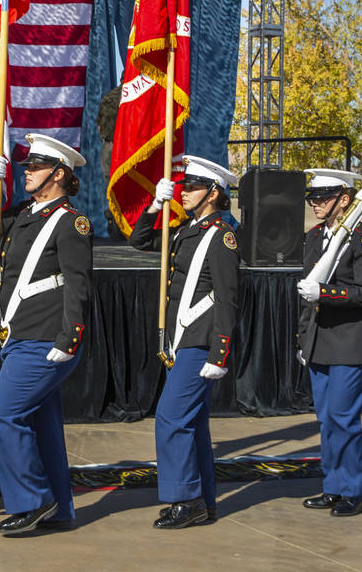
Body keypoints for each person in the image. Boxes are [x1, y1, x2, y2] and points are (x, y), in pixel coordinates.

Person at [0, 133, 93, 535]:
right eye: (27, 165)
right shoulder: (26, 212)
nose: (28, 171)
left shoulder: (70, 222)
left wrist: (69, 338)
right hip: (20, 334)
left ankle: (31, 501)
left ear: (59, 174)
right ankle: (57, 508)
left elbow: (79, 284)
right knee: (41, 426)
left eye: (36, 166)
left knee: (4, 414)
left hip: (45, 338)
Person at [128, 155, 239, 530]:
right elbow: (139, 241)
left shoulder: (221, 236)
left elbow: (228, 298)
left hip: (201, 341)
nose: (182, 191)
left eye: (190, 187)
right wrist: (155, 205)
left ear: (213, 193)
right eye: (182, 185)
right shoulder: (185, 230)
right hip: (184, 338)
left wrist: (220, 351)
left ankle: (185, 499)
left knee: (171, 418)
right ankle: (202, 501)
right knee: (192, 424)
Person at [296, 168, 362, 517]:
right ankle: (333, 485)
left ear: (344, 200)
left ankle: (355, 489)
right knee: (326, 419)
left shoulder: (361, 238)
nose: (316, 203)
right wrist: (303, 339)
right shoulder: (314, 237)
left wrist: (326, 293)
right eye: (313, 197)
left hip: (350, 343)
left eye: (324, 197)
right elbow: (305, 296)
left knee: (344, 419)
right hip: (320, 342)